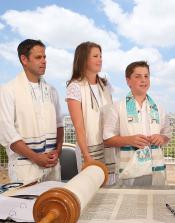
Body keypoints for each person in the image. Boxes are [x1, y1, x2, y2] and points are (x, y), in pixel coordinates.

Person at [0, 39, 64, 184]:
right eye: (38, 57)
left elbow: (59, 124)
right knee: (27, 207)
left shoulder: (52, 90)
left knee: (53, 206)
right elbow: (7, 133)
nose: (44, 61)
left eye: (44, 57)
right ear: (24, 59)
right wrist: (35, 157)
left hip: (52, 167)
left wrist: (58, 150)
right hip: (25, 169)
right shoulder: (8, 90)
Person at [103, 61, 171, 186]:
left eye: (146, 76)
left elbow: (167, 135)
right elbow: (107, 140)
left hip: (156, 170)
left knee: (155, 201)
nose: (143, 80)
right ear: (128, 80)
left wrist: (162, 138)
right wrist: (129, 140)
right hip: (129, 170)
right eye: (138, 76)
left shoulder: (159, 108)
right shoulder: (117, 107)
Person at [66, 41, 115, 183]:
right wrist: (87, 156)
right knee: (93, 186)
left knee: (111, 186)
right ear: (83, 59)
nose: (100, 59)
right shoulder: (75, 87)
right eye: (95, 56)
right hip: (88, 149)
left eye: (100, 56)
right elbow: (79, 126)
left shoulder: (105, 85)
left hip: (109, 147)